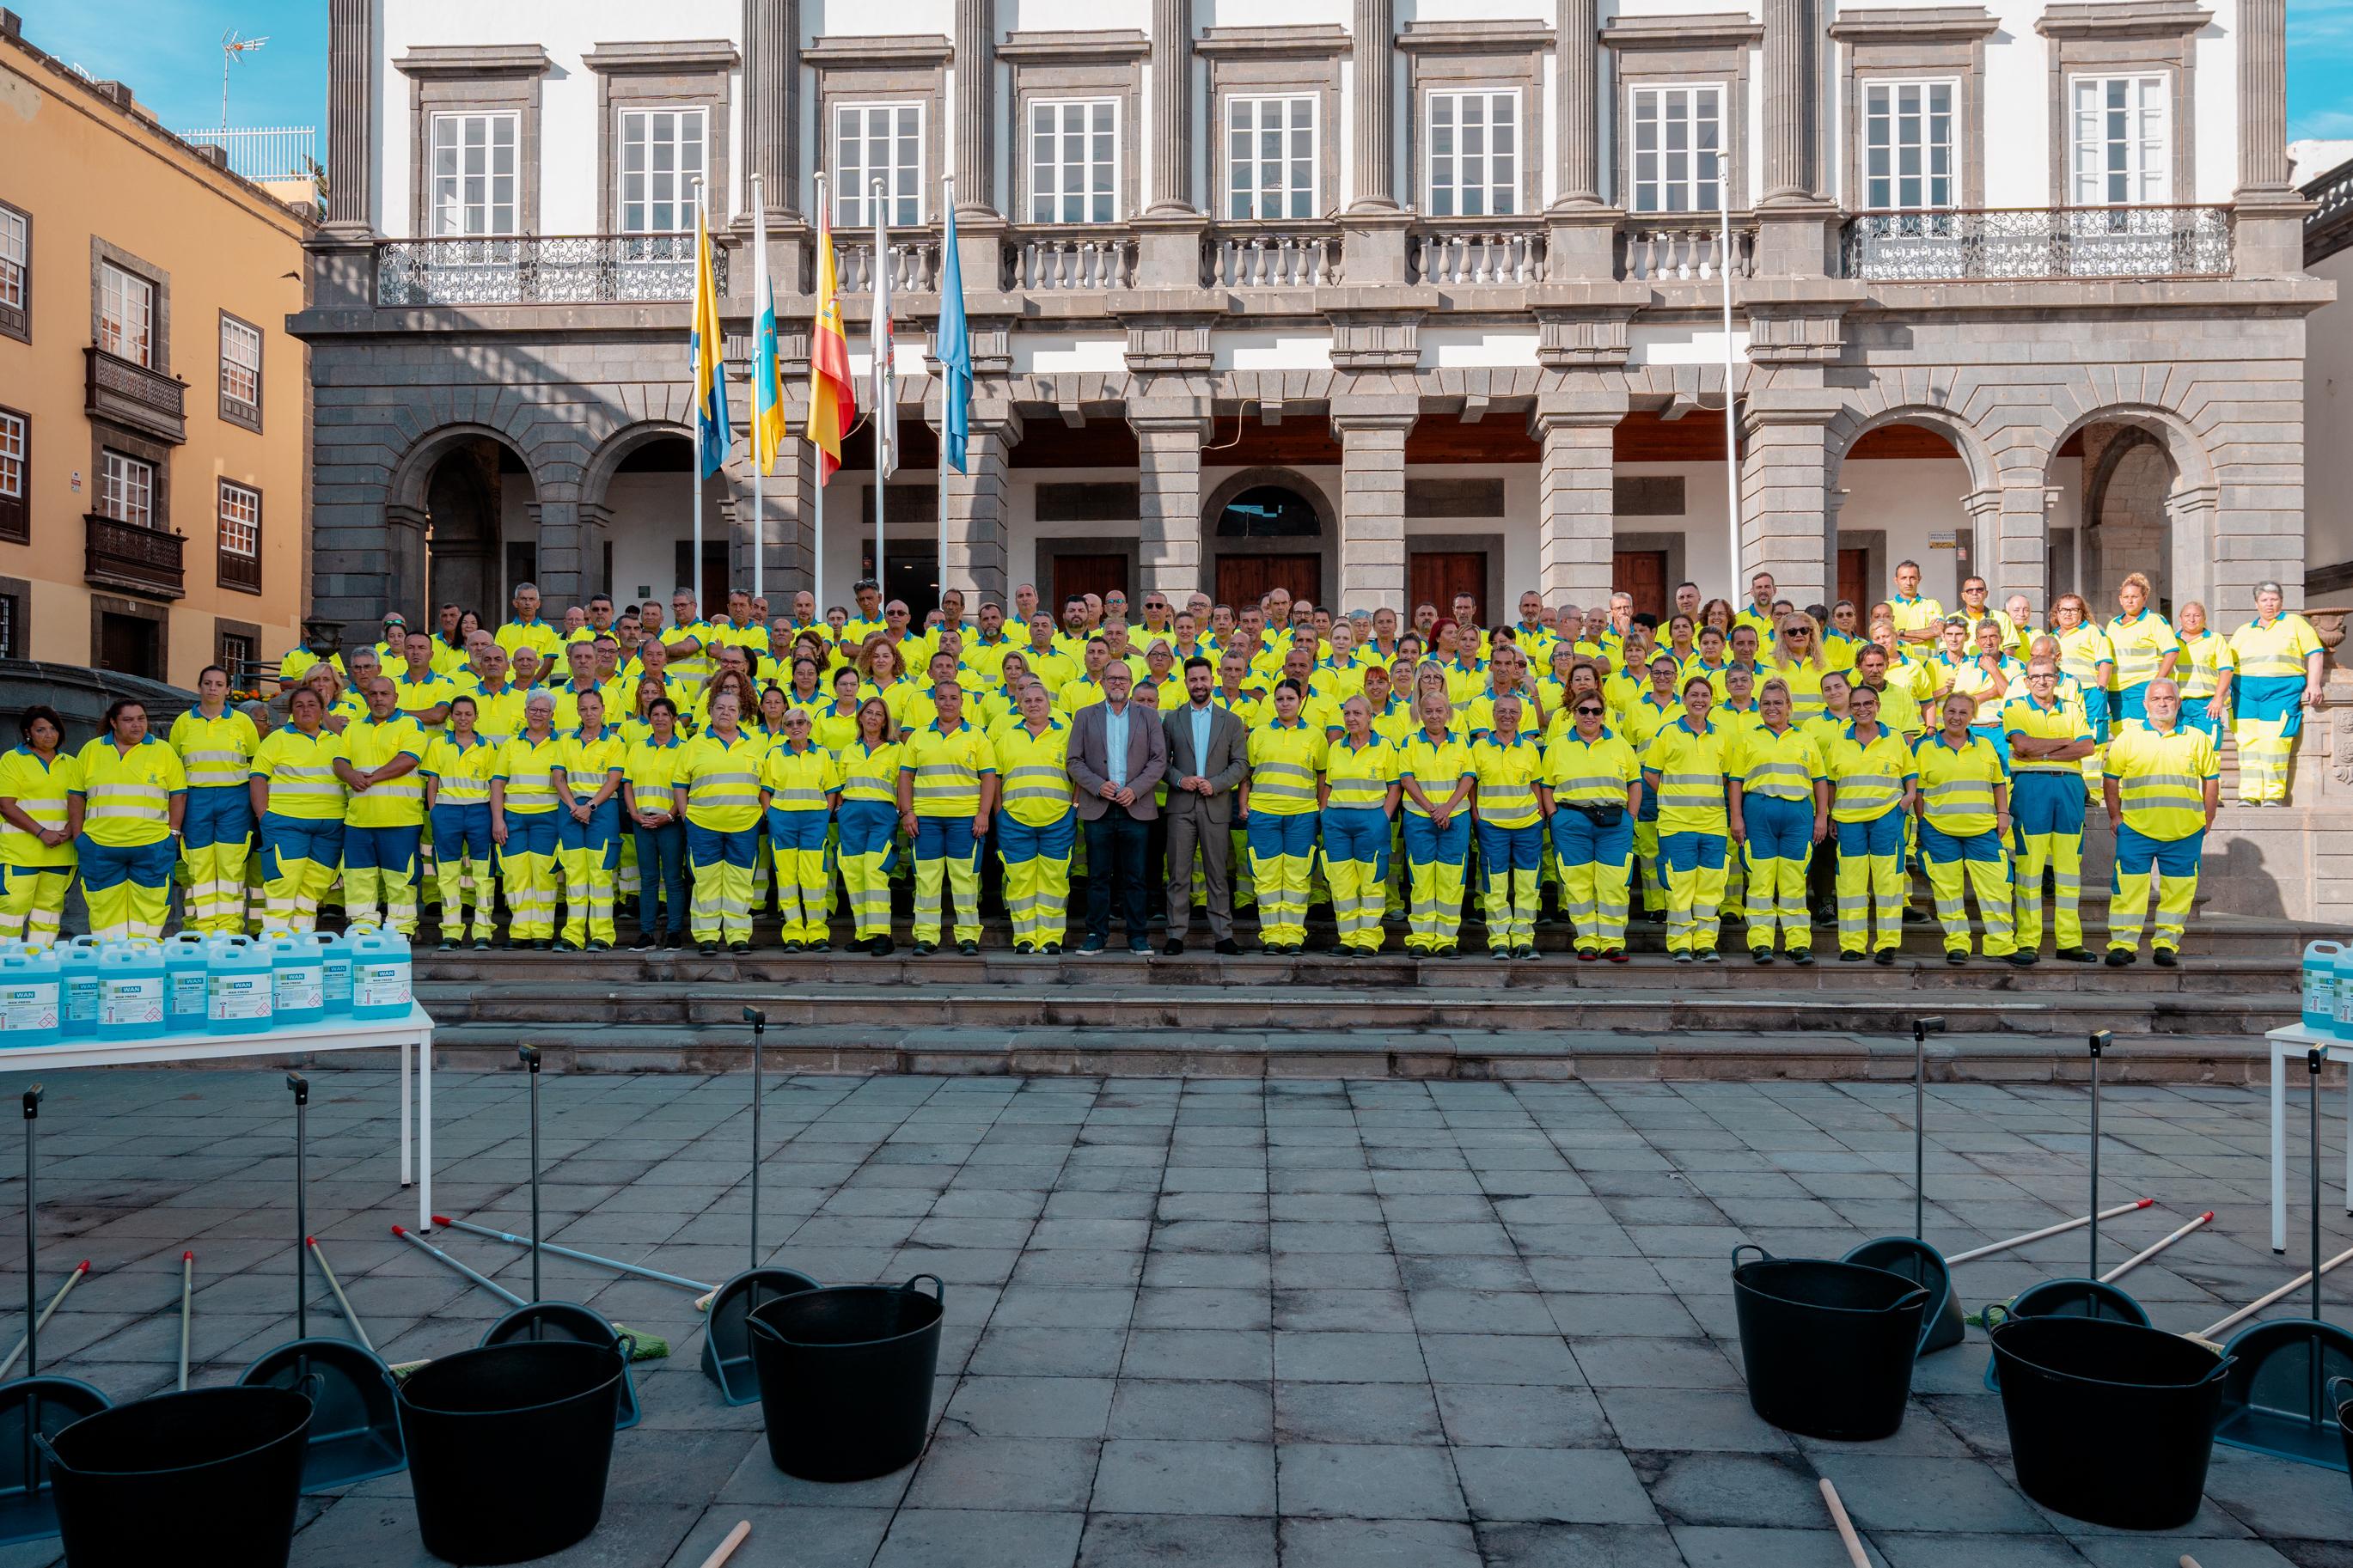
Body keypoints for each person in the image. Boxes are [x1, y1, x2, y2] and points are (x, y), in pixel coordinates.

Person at [2102, 679, 2220, 966]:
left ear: (2178, 703)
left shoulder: (2197, 738)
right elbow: (2110, 779)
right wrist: (2116, 817)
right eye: (2156, 699)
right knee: (2128, 889)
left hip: (2185, 831)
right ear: (2145, 705)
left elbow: (2211, 780)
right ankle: (2123, 945)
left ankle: (2167, 944)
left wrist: (2208, 817)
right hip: (2136, 829)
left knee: (2179, 891)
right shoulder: (2128, 738)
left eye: (2169, 698)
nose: (2163, 703)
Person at [2002, 659, 2098, 963]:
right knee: (2030, 868)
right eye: (2035, 677)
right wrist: (2062, 742)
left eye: (2047, 676)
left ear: (2057, 678)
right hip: (2032, 787)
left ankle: (2069, 941)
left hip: (2069, 787)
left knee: (2069, 869)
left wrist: (2040, 750)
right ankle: (2028, 940)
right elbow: (2021, 744)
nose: (2041, 681)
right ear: (2026, 681)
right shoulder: (2016, 707)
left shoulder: (2072, 708)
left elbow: (2087, 747)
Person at [1912, 692, 2018, 966]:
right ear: (1942, 713)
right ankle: (1957, 944)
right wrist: (1924, 823)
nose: (1956, 717)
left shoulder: (1984, 746)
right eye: (1950, 711)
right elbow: (1919, 791)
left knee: (1996, 888)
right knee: (1948, 891)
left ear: (1972, 717)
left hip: (1983, 829)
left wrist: (2003, 815)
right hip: (1939, 830)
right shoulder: (1926, 748)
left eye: (1962, 712)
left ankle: (2000, 944)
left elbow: (1998, 783)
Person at [1066, 662, 1163, 956]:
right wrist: (1097, 785)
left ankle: (1137, 935)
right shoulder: (1085, 716)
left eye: (1122, 678)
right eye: (1112, 678)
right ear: (1103, 682)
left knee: (1136, 875)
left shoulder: (1148, 716)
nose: (1117, 683)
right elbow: (1074, 761)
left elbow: (1159, 760)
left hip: (1136, 805)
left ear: (1131, 682)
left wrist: (1135, 789)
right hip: (1099, 806)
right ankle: (1096, 933)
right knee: (1098, 875)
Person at [1728, 680, 1828, 966]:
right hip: (1759, 811)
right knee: (1760, 880)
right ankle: (1761, 941)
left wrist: (1821, 816)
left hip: (1798, 814)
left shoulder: (1805, 738)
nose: (1772, 708)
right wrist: (1736, 817)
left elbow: (1819, 780)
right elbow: (1735, 781)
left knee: (1794, 881)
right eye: (1767, 703)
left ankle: (1797, 943)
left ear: (1789, 707)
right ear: (1759, 707)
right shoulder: (1748, 738)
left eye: (1778, 703)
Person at [70, 700, 186, 942]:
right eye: (129, 720)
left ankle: (144, 959)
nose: (137, 725)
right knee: (103, 909)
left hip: (151, 844)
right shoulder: (91, 750)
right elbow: (76, 795)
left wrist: (173, 834)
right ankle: (111, 958)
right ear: (113, 722)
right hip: (101, 845)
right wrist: (79, 836)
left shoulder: (163, 750)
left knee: (151, 908)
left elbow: (178, 794)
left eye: (141, 718)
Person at [900, 680, 998, 956]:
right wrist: (908, 812)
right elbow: (905, 776)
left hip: (965, 819)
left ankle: (968, 937)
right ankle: (927, 937)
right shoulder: (918, 736)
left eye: (954, 698)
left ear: (962, 702)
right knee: (927, 879)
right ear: (935, 701)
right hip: (926, 819)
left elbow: (988, 776)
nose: (948, 703)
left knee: (965, 879)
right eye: (942, 698)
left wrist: (982, 813)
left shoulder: (977, 736)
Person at [1545, 690, 1641, 962]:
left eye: (1596, 711)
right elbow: (1546, 785)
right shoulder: (1558, 746)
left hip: (1613, 823)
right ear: (1574, 713)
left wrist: (1630, 818)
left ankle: (1612, 942)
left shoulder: (1620, 744)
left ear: (1604, 714)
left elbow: (1635, 782)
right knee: (1578, 884)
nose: (1590, 716)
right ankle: (1586, 941)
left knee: (1613, 884)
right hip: (1572, 822)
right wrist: (1555, 817)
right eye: (1584, 710)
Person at [1161, 656, 1248, 955]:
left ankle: (1223, 935)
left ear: (1214, 681)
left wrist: (1218, 783)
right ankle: (1175, 934)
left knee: (1217, 873)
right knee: (1178, 873)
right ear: (1186, 683)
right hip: (1181, 806)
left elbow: (1241, 764)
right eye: (1193, 680)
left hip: (1216, 804)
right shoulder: (1172, 719)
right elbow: (1161, 763)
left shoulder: (1231, 721)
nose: (1199, 684)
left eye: (1203, 679)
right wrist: (1179, 779)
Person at [1824, 683, 1915, 964]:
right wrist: (1830, 815)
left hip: (1886, 817)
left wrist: (1908, 797)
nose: (1862, 709)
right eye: (1856, 705)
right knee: (1852, 885)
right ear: (1850, 709)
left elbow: (1910, 772)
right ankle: (1852, 944)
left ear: (1877, 705)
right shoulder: (1839, 740)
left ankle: (1887, 944)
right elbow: (1830, 782)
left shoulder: (1895, 738)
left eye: (1867, 704)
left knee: (1888, 881)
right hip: (1850, 821)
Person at [1642, 677, 1733, 963]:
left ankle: (1705, 942)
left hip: (1714, 824)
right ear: (1683, 699)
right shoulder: (1668, 733)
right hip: (1676, 823)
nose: (1699, 700)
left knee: (1710, 886)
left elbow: (1727, 776)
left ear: (1712, 700)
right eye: (1693, 695)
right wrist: (1671, 796)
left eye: (1705, 695)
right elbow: (1650, 773)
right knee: (1680, 887)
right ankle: (1680, 942)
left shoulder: (1721, 736)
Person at [170, 665, 262, 934]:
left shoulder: (243, 723)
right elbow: (175, 767)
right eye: (207, 683)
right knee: (198, 868)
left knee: (231, 867)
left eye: (219, 684)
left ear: (228, 689)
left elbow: (255, 766)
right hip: (195, 799)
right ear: (199, 687)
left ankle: (229, 930)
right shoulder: (183, 723)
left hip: (234, 800)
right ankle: (202, 928)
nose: (213, 689)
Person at [337, 677, 429, 936]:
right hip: (359, 819)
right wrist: (349, 775)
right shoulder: (353, 728)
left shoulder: (411, 724)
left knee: (401, 878)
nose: (378, 699)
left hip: (400, 818)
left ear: (396, 697)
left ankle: (402, 928)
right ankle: (363, 926)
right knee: (358, 877)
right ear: (366, 697)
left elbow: (408, 760)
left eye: (384, 694)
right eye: (373, 694)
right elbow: (339, 761)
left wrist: (369, 778)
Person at [676, 690, 766, 955]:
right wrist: (686, 816)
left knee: (740, 880)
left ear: (740, 714)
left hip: (744, 825)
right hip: (703, 825)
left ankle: (738, 935)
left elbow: (765, 785)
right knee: (707, 881)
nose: (725, 712)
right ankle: (707, 936)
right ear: (710, 712)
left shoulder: (756, 744)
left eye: (731, 709)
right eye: (720, 708)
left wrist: (759, 814)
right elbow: (680, 783)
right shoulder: (695, 744)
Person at [251, 686, 345, 933]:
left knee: (314, 886)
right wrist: (264, 816)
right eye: (299, 705)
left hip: (329, 827)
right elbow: (258, 778)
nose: (306, 709)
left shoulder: (337, 742)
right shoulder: (277, 739)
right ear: (291, 711)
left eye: (312, 704)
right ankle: (277, 939)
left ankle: (302, 938)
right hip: (286, 824)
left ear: (323, 710)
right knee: (283, 883)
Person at [995, 682, 1078, 955]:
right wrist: (999, 811)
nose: (1033, 704)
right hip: (1015, 820)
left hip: (1058, 820)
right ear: (1019, 706)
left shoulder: (1065, 734)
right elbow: (995, 778)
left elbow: (1078, 772)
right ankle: (1026, 938)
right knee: (1020, 881)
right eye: (1027, 700)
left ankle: (1052, 937)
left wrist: (1074, 805)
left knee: (1055, 881)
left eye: (1039, 699)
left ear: (1048, 704)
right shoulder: (1007, 737)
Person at [1245, 680, 1327, 954]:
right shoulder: (1259, 734)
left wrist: (1321, 807)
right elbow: (1247, 774)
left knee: (1297, 876)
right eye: (1279, 699)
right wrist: (1244, 805)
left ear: (1300, 699)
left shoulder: (1315, 735)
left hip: (1301, 815)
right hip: (1264, 813)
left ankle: (1292, 935)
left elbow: (1322, 774)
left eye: (1290, 698)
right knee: (1266, 876)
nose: (1284, 703)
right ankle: (1271, 935)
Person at [2228, 581, 2325, 804]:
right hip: (2246, 694)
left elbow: (2315, 653)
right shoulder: (2244, 631)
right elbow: (2227, 664)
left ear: (2281, 601)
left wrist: (2314, 684)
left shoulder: (2296, 624)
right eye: (2264, 600)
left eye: (2274, 599)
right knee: (2248, 745)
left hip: (2281, 692)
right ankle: (2249, 795)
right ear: (2256, 603)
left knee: (2274, 743)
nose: (2269, 604)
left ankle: (2273, 794)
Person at [1470, 692, 1548, 961]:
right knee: (1495, 884)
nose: (1507, 716)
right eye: (1502, 711)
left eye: (1513, 712)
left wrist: (1540, 812)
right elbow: (1472, 784)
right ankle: (1500, 939)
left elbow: (1536, 782)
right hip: (1492, 826)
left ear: (1521, 716)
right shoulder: (1479, 748)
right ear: (1493, 714)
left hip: (1527, 825)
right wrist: (1477, 816)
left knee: (1528, 884)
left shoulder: (1529, 747)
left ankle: (1524, 939)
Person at [1321, 696, 1401, 955]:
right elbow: (1329, 784)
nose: (1351, 719)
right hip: (1337, 822)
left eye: (1357, 713)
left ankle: (1368, 938)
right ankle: (1348, 937)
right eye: (1347, 714)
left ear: (1370, 717)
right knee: (1342, 883)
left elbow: (1395, 786)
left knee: (1372, 881)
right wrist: (1324, 813)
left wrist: (1383, 817)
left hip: (1371, 820)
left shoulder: (1385, 746)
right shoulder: (1336, 748)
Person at [759, 706, 840, 952]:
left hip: (814, 822)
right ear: (784, 729)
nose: (796, 727)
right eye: (790, 723)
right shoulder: (774, 755)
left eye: (801, 722)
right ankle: (793, 934)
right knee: (786, 878)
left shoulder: (823, 755)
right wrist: (771, 815)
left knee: (814, 879)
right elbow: (765, 790)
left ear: (810, 726)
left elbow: (832, 789)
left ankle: (817, 933)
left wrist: (825, 814)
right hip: (783, 821)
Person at [553, 691, 627, 950]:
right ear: (577, 711)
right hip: (571, 809)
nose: (589, 713)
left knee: (601, 874)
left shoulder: (615, 742)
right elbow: (558, 777)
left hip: (602, 810)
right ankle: (572, 936)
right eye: (583, 709)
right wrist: (575, 806)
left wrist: (590, 806)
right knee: (574, 874)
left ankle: (602, 935)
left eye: (594, 708)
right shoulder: (565, 741)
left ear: (603, 709)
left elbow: (614, 780)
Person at [424, 695, 499, 949]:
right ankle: (451, 932)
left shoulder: (488, 746)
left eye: (468, 714)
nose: (463, 718)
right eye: (458, 714)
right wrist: (434, 812)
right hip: (447, 813)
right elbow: (432, 782)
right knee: (447, 874)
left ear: (476, 716)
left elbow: (495, 785)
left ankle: (483, 932)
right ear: (451, 716)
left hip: (480, 811)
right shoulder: (437, 745)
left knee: (483, 874)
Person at [491, 693, 566, 948]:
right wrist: (498, 820)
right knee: (516, 875)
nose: (538, 714)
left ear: (552, 715)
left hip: (547, 818)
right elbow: (498, 784)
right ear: (525, 712)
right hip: (513, 818)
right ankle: (520, 931)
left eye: (544, 711)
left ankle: (543, 933)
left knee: (544, 876)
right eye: (533, 710)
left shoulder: (562, 744)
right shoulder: (511, 744)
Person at [0, 707, 79, 945]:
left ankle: (40, 963)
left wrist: (67, 831)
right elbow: (5, 805)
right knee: (13, 908)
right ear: (28, 733)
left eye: (54, 728)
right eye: (41, 729)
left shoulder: (72, 764)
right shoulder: (12, 759)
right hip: (21, 852)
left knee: (49, 911)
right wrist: (42, 832)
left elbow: (80, 802)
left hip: (61, 852)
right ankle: (6, 964)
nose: (49, 735)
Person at [836, 699, 905, 955]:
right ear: (861, 717)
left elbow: (904, 782)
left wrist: (899, 810)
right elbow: (840, 784)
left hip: (882, 814)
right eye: (869, 713)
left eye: (879, 714)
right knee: (853, 873)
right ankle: (863, 934)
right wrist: (841, 811)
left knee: (874, 871)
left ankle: (881, 935)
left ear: (885, 721)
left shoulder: (896, 750)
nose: (874, 718)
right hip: (852, 814)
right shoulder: (849, 749)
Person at [622, 697, 689, 950]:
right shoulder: (638, 748)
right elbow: (627, 783)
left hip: (670, 822)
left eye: (665, 714)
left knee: (673, 878)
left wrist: (671, 815)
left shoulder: (684, 748)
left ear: (674, 719)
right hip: (642, 822)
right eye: (655, 715)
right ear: (649, 719)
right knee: (648, 879)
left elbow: (685, 787)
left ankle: (673, 933)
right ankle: (647, 933)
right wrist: (634, 814)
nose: (659, 719)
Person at [2105, 572, 2179, 733]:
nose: (2130, 600)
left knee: (2143, 732)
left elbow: (2172, 652)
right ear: (2120, 599)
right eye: (2126, 597)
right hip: (2116, 689)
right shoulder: (2112, 624)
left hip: (2142, 686)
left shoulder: (2155, 621)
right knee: (2120, 732)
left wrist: (2156, 683)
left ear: (2144, 598)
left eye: (2135, 596)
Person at [2172, 601, 2234, 741]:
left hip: (2206, 704)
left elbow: (2227, 670)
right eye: (2187, 615)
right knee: (2181, 747)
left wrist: (2218, 699)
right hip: (2179, 704)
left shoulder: (2215, 639)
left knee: (2209, 744)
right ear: (2180, 619)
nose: (2192, 619)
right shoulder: (2171, 642)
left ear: (2204, 619)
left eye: (2197, 615)